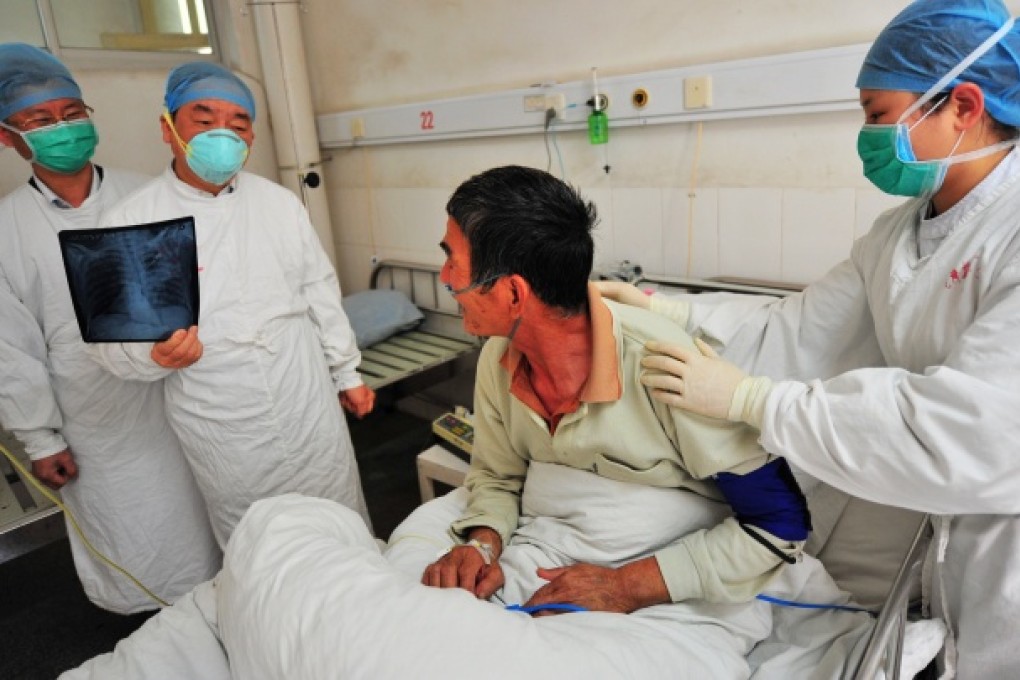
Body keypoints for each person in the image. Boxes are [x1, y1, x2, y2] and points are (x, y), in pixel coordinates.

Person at [601, 1, 1020, 675]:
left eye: (879, 115)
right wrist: (665, 310)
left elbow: (980, 430)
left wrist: (758, 402)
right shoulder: (898, 234)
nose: (867, 136)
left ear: (964, 106)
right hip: (952, 542)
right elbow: (797, 327)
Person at [421, 164, 811, 615]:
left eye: (453, 260)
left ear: (513, 293)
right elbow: (497, 477)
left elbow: (780, 523)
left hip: (661, 569)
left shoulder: (668, 368)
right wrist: (483, 544)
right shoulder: (498, 358)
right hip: (549, 545)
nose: (445, 277)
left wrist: (627, 586)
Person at [87, 62, 375, 547]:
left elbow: (318, 289)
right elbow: (108, 344)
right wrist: (153, 356)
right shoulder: (130, 222)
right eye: (203, 120)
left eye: (238, 123)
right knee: (257, 539)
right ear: (168, 128)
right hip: (220, 411)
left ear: (251, 138)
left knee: (337, 515)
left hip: (302, 394)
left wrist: (347, 372)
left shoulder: (279, 202)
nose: (223, 133)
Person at [0, 43, 220, 613]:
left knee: (203, 511)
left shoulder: (149, 192)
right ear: (8, 138)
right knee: (133, 527)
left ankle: (223, 609)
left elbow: (201, 282)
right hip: (94, 416)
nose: (63, 128)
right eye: (41, 121)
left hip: (177, 388)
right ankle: (151, 627)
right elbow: (10, 348)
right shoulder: (7, 229)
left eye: (72, 114)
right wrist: (40, 438)